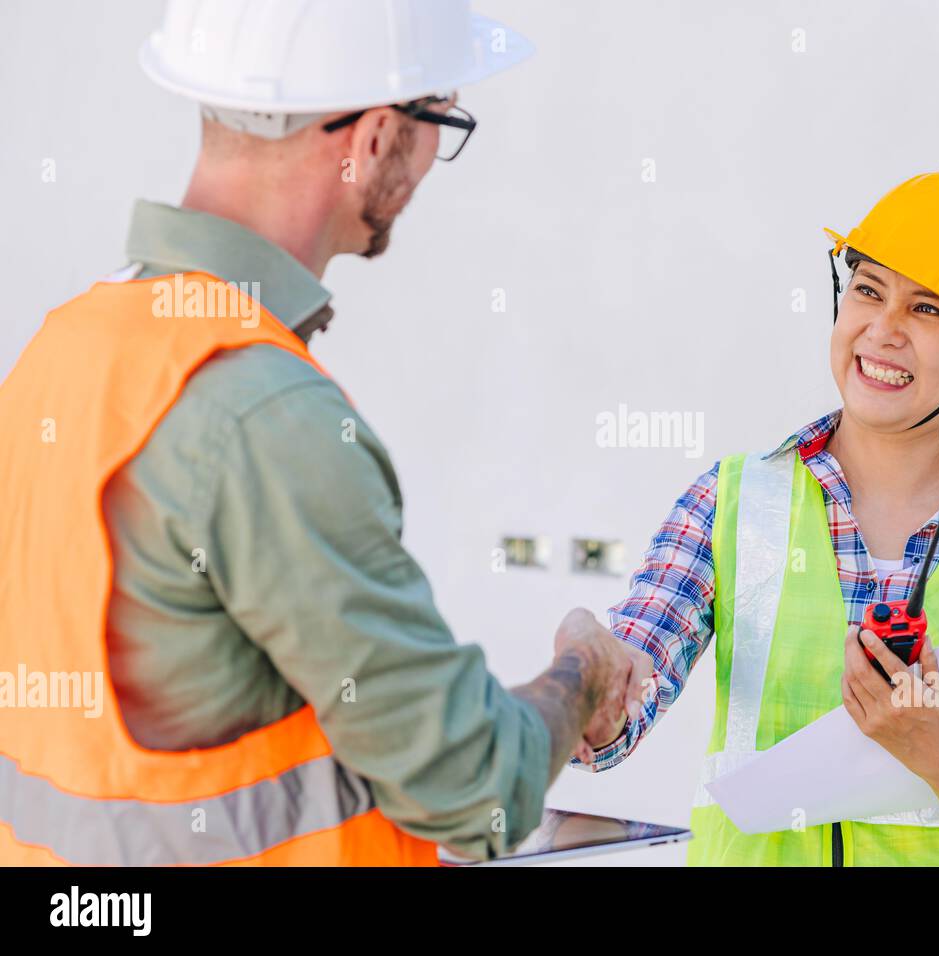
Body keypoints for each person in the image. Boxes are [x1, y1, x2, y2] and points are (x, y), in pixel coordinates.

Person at [0, 0, 649, 866]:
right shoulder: (266, 414)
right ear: (377, 137)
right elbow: (475, 793)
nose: (431, 159)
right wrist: (585, 677)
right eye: (440, 121)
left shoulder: (63, 347)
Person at [573, 172, 939, 866]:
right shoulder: (734, 502)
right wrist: (586, 684)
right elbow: (622, 696)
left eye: (928, 310)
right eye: (867, 290)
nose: (881, 332)